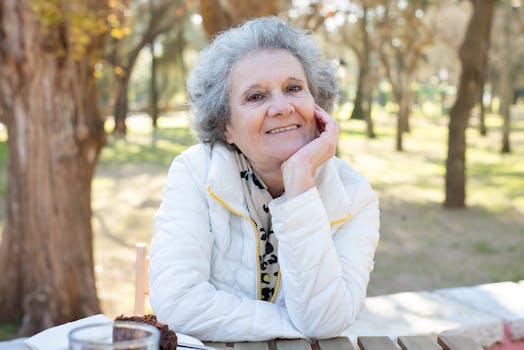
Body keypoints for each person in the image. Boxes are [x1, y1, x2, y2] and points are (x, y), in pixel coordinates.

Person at [149, 16, 380, 342]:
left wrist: (299, 183)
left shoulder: (355, 194)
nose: (282, 107)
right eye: (256, 96)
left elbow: (328, 320)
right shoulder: (194, 172)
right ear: (225, 126)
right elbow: (178, 304)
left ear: (318, 105)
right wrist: (297, 324)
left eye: (294, 88)